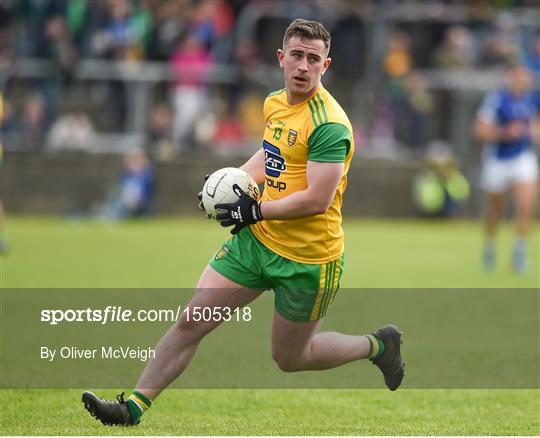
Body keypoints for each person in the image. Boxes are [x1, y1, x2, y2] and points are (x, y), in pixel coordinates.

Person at [82, 19, 405, 427]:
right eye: (296, 56)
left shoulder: (329, 124)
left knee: (290, 359)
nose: (303, 66)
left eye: (313, 59)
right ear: (281, 58)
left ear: (326, 65)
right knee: (190, 321)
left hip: (308, 260)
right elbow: (270, 159)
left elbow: (317, 200)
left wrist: (252, 210)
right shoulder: (275, 103)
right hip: (257, 242)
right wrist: (229, 183)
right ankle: (130, 409)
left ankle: (377, 346)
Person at [474, 64, 539, 273]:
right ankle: (490, 249)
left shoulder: (531, 100)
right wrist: (504, 133)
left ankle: (518, 256)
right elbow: (480, 131)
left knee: (525, 207)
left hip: (522, 157)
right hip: (498, 159)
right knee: (495, 211)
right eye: (519, 77)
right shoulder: (496, 101)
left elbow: (535, 126)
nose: (523, 81)